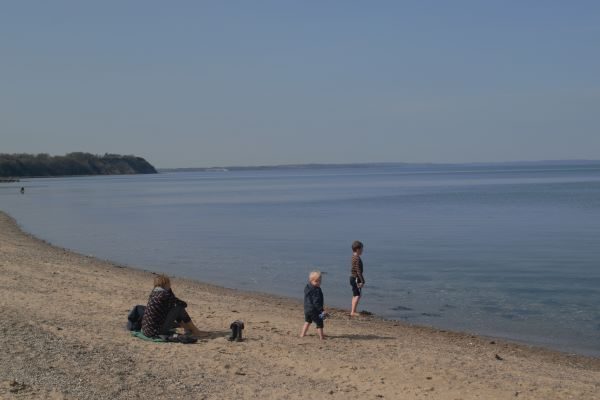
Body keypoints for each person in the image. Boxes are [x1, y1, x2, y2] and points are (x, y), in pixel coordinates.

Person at [141, 274, 204, 339]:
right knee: (179, 308)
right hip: (156, 331)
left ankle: (187, 328)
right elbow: (184, 304)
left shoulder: (154, 293)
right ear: (166, 284)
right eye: (169, 283)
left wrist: (169, 292)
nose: (170, 284)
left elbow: (171, 305)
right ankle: (195, 331)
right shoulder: (165, 295)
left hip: (146, 330)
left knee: (175, 308)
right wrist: (170, 292)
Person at [300, 271, 326, 340]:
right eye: (316, 281)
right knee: (319, 322)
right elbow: (316, 302)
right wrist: (322, 310)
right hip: (314, 310)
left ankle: (303, 334)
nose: (318, 283)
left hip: (307, 309)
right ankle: (321, 337)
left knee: (307, 321)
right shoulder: (316, 290)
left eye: (320, 281)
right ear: (311, 280)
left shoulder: (307, 286)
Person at [349, 240, 365, 317]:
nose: (362, 251)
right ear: (358, 249)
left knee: (355, 294)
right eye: (362, 249)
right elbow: (358, 271)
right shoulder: (357, 259)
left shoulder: (353, 256)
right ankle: (353, 311)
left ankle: (353, 310)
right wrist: (362, 281)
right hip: (356, 278)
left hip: (352, 277)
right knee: (357, 295)